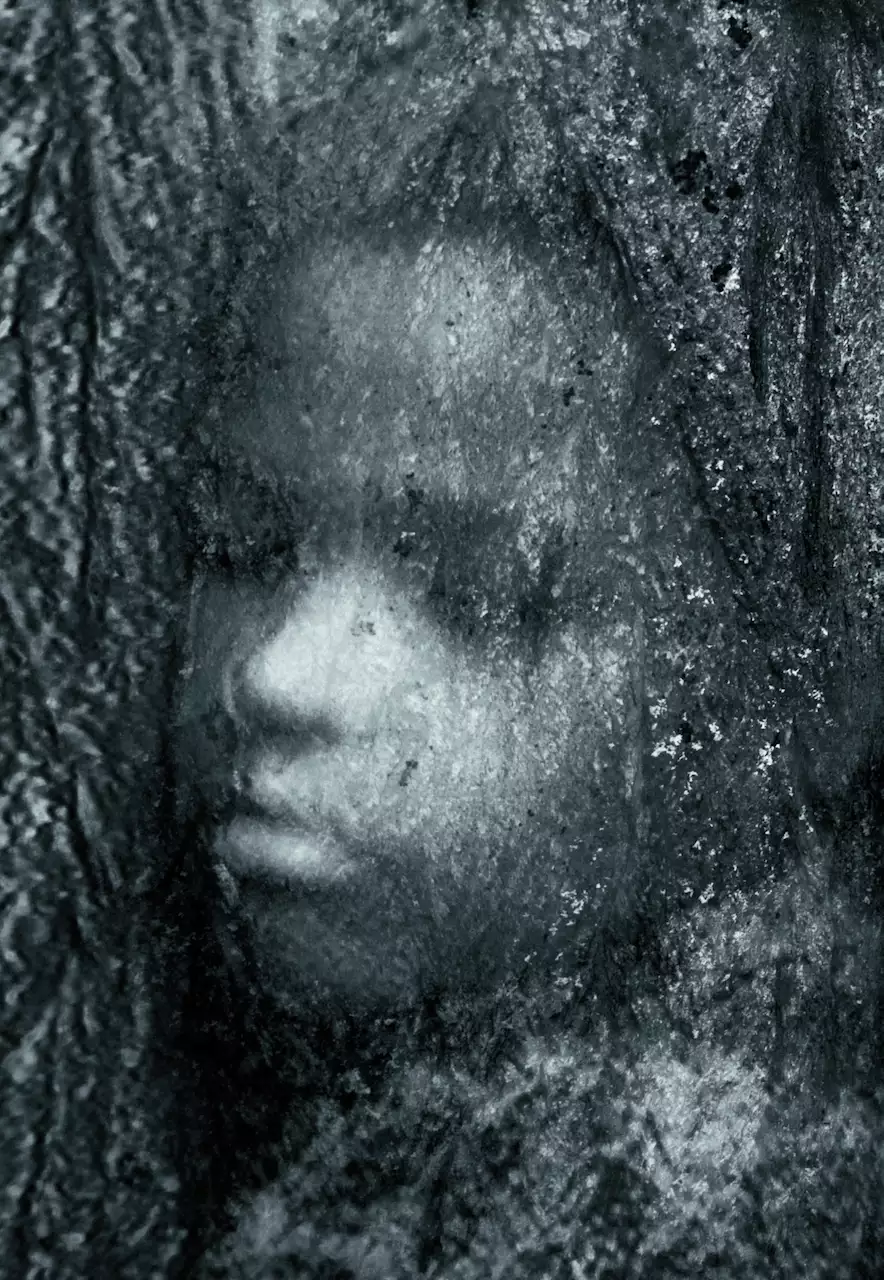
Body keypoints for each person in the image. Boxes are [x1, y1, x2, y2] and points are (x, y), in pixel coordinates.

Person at [168, 6, 884, 1276]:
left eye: (481, 592)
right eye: (239, 543)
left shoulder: (680, 1193)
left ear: (793, 691)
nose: (277, 674)